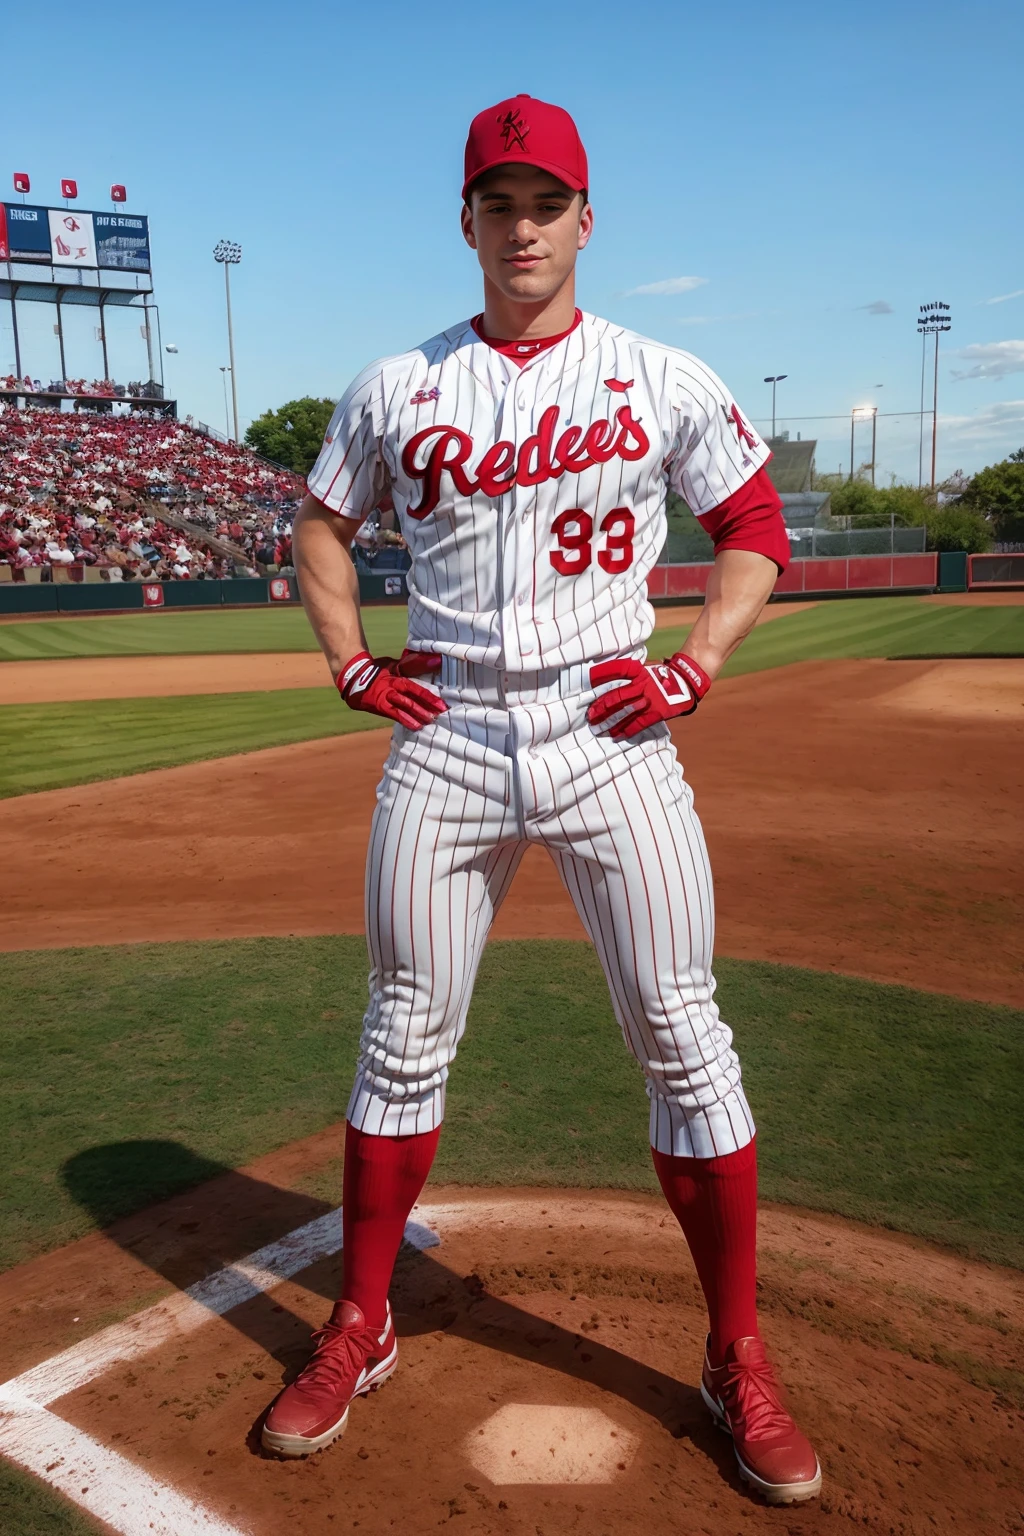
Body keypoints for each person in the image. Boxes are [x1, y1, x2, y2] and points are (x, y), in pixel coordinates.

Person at [261, 95, 820, 1505]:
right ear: (466, 220)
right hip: (446, 727)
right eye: (498, 203)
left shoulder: (660, 377)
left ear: (586, 220)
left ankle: (736, 1354)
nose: (523, 226)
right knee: (401, 1034)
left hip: (609, 720)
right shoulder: (399, 386)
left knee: (686, 1038)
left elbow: (754, 530)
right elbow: (320, 527)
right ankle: (362, 1323)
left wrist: (696, 664)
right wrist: (346, 664)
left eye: (546, 202)